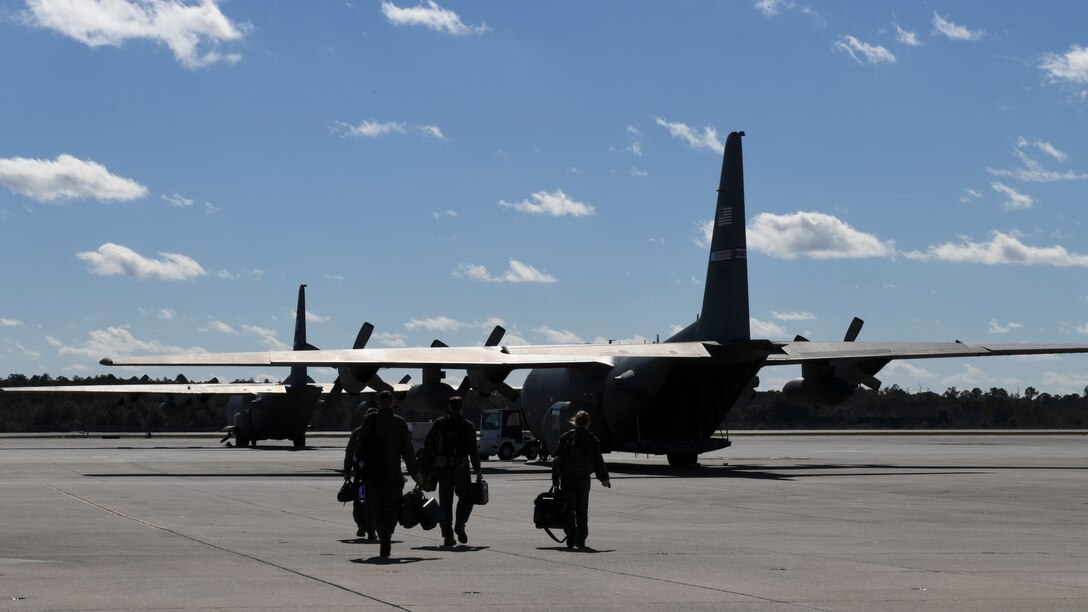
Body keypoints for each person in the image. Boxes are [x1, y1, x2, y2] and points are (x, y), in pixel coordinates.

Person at [358, 390, 423, 558]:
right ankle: (388, 531)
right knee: (393, 507)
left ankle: (382, 533)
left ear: (378, 403)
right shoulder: (399, 423)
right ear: (392, 403)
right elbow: (408, 451)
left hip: (372, 475)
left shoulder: (370, 421)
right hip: (392, 475)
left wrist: (356, 469)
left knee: (376, 507)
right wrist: (416, 473)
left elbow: (359, 446)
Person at [423, 396, 482, 547]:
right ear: (462, 407)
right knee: (466, 497)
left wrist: (434, 459)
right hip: (461, 467)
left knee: (445, 502)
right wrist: (478, 471)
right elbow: (473, 451)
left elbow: (427, 442)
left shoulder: (440, 423)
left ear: (449, 406)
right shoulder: (468, 425)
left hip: (444, 469)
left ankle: (448, 535)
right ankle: (460, 525)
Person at [551, 410, 610, 550]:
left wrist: (555, 482)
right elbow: (598, 461)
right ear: (588, 423)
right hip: (584, 480)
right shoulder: (592, 439)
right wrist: (604, 478)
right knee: (582, 510)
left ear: (575, 423)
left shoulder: (566, 437)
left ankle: (571, 532)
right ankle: (581, 539)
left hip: (568, 479)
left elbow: (557, 460)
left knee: (569, 509)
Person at [343, 405, 377, 540]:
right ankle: (371, 529)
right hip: (376, 477)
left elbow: (349, 453)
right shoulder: (381, 432)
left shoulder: (357, 433)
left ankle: (362, 526)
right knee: (374, 502)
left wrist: (347, 470)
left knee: (361, 501)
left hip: (361, 477)